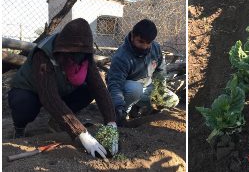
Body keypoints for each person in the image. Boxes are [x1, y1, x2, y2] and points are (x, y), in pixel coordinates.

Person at [9, 18, 118, 158]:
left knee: (89, 90)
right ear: (63, 50)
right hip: (31, 90)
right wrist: (81, 133)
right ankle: (19, 127)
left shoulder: (84, 55)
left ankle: (56, 122)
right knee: (23, 103)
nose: (76, 58)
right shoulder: (43, 55)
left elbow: (99, 88)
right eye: (72, 55)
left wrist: (111, 122)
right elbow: (49, 97)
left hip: (59, 89)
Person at [107, 19, 178, 125]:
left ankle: (140, 108)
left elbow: (160, 70)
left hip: (147, 87)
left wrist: (161, 89)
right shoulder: (121, 56)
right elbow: (115, 85)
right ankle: (122, 113)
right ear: (132, 36)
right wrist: (118, 106)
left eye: (148, 43)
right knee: (135, 89)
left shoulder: (155, 48)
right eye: (140, 42)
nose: (144, 46)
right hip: (127, 90)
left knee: (172, 99)